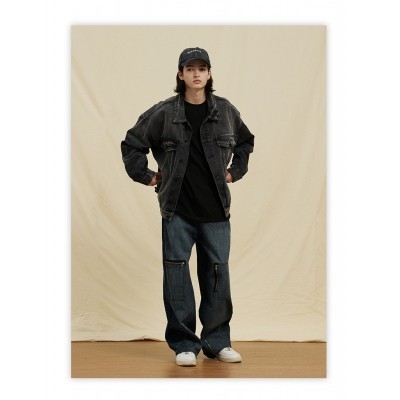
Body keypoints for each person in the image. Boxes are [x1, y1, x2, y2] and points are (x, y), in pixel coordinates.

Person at [121, 47, 255, 367]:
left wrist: (234, 171)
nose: (197, 74)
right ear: (180, 74)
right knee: (177, 276)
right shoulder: (164, 112)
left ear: (209, 74)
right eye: (190, 68)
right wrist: (148, 176)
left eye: (202, 68)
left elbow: (245, 141)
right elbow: (132, 144)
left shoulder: (226, 111)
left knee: (217, 276)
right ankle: (184, 344)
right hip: (177, 211)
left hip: (216, 212)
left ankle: (217, 342)